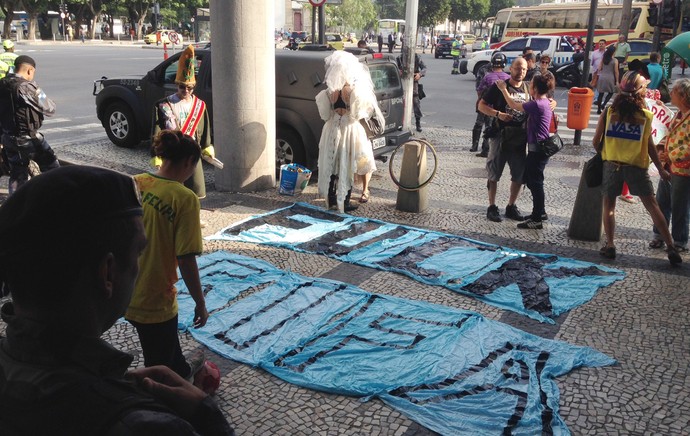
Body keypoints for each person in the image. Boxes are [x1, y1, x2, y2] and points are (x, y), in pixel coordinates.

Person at [0, 165, 234, 435]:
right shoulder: (144, 425)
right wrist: (206, 414)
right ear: (107, 273)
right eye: (138, 253)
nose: (138, 267)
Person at [126, 130, 212, 381]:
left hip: (127, 288)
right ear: (188, 163)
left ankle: (184, 369)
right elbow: (186, 259)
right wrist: (201, 303)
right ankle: (163, 399)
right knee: (160, 367)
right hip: (154, 298)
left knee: (164, 347)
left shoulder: (137, 181)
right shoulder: (184, 198)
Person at [592, 70, 682, 265]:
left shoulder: (609, 113)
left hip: (612, 165)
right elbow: (650, 146)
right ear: (641, 91)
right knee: (652, 206)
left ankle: (610, 245)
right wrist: (661, 168)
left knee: (609, 206)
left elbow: (595, 141)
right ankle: (671, 246)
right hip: (637, 167)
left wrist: (608, 151)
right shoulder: (646, 116)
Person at [316, 51, 384, 211]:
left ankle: (331, 199)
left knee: (332, 164)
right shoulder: (354, 91)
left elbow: (325, 115)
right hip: (350, 131)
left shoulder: (328, 93)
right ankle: (344, 201)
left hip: (331, 129)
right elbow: (359, 114)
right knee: (347, 165)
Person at [153, 44, 214, 200]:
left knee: (195, 189)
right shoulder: (163, 105)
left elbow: (205, 128)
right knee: (172, 189)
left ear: (193, 87)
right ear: (176, 85)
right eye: (182, 87)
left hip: (191, 152)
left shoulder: (200, 105)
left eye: (189, 87)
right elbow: (157, 130)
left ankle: (194, 216)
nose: (185, 91)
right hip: (171, 152)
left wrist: (207, 147)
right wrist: (156, 154)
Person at [497, 72, 557, 229]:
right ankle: (540, 211)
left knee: (535, 183)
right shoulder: (543, 101)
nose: (529, 87)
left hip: (538, 150)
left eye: (531, 85)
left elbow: (514, 106)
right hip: (539, 149)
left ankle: (537, 218)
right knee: (534, 181)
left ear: (535, 88)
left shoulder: (537, 104)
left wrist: (504, 89)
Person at [478, 57, 530, 223]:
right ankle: (492, 206)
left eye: (523, 69)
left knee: (519, 175)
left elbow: (544, 99)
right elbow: (481, 105)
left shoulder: (529, 88)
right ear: (510, 68)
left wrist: (552, 103)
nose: (520, 71)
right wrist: (498, 114)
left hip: (520, 139)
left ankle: (511, 206)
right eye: (517, 68)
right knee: (494, 172)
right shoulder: (500, 86)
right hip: (500, 136)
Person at [0, 55, 59, 195]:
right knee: (52, 166)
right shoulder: (26, 87)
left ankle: (16, 206)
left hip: (8, 138)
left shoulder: (2, 84)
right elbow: (50, 108)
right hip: (28, 139)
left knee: (17, 174)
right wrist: (39, 91)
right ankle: (56, 195)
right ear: (29, 71)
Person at [649, 78, 690, 252]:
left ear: (682, 96)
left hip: (682, 169)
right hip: (668, 166)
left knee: (679, 205)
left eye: (673, 92)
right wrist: (661, 150)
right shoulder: (679, 114)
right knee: (662, 201)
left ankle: (679, 240)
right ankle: (659, 234)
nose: (670, 94)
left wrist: (671, 155)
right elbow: (670, 134)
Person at [472, 52, 510, 156]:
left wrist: (480, 100)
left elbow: (479, 90)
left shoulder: (488, 77)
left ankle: (485, 149)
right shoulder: (507, 77)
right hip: (501, 109)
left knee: (485, 126)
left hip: (487, 107)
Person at [398, 52, 427, 132]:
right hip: (402, 82)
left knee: (416, 103)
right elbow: (395, 68)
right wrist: (399, 72)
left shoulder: (417, 57)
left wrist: (419, 74)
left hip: (414, 83)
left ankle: (418, 123)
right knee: (401, 104)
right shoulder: (400, 58)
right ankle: (401, 124)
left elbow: (424, 68)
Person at [596, 45, 619, 114]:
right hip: (610, 78)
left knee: (600, 93)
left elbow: (599, 68)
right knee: (611, 92)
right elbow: (616, 71)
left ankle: (598, 109)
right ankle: (604, 104)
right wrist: (617, 80)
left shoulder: (603, 59)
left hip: (602, 77)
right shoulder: (615, 60)